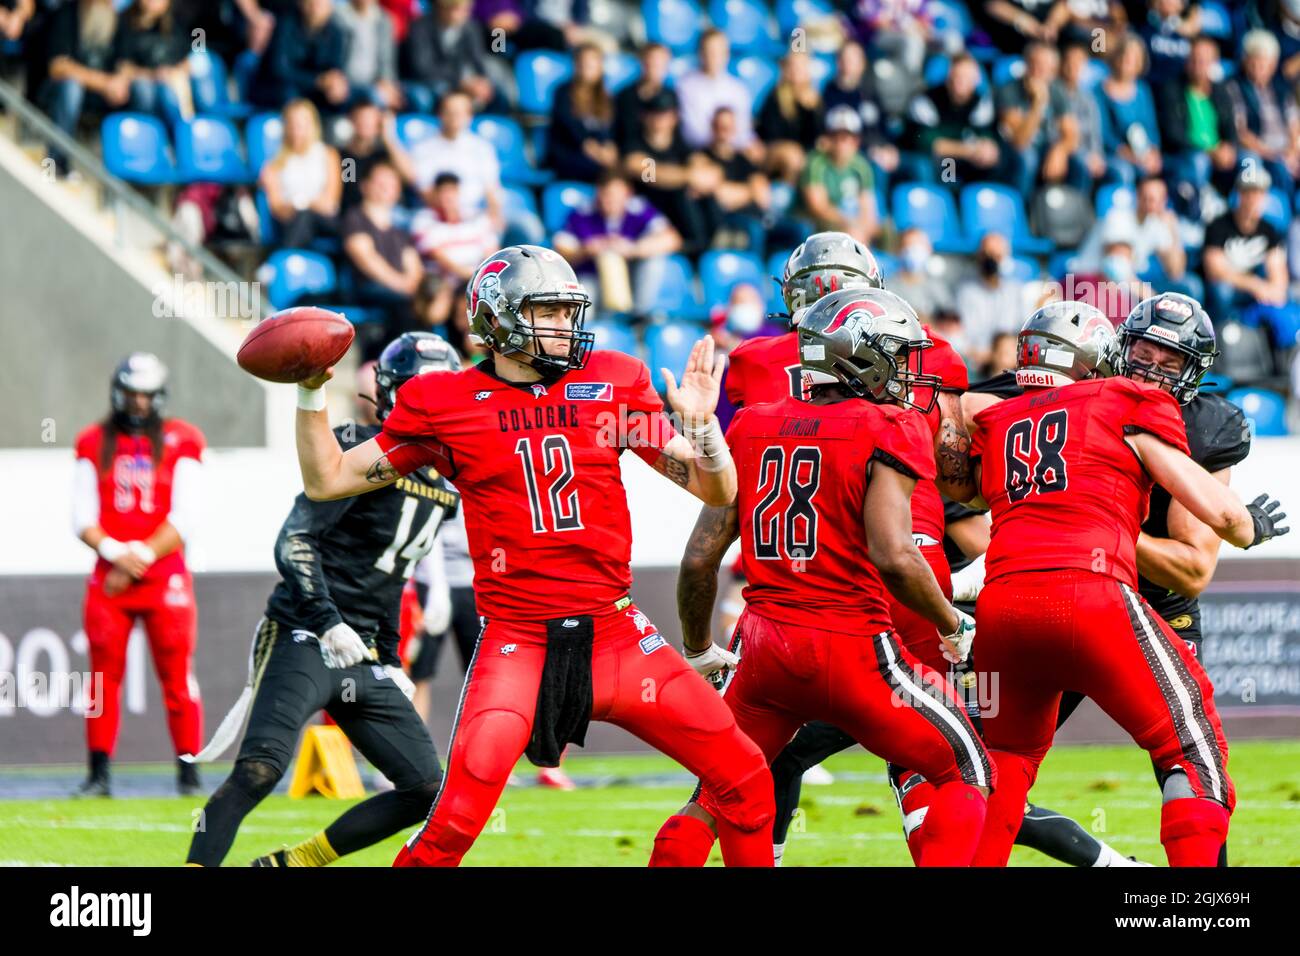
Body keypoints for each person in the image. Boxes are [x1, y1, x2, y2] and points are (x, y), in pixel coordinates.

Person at [293, 244, 777, 867]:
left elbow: (717, 490)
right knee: (455, 823)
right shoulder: (444, 401)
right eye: (546, 312)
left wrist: (705, 430)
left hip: (615, 633)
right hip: (517, 639)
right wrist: (310, 392)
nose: (564, 326)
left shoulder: (612, 379)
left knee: (745, 778)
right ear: (496, 320)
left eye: (566, 311)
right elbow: (328, 479)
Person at [653, 288, 991, 868]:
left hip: (762, 651)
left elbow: (699, 559)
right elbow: (896, 556)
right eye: (896, 354)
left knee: (719, 793)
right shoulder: (889, 424)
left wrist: (698, 646)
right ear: (859, 355)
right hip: (854, 646)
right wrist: (950, 625)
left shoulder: (755, 423)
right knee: (968, 767)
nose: (908, 371)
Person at [965, 300, 1288, 867]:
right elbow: (1230, 521)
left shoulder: (1006, 413)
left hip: (1024, 599)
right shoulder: (1122, 400)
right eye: (1145, 353)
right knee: (1194, 752)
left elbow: (1192, 567)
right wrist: (1246, 525)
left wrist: (1046, 512)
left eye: (1172, 358)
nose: (1154, 369)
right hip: (1096, 594)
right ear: (1112, 352)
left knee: (997, 765)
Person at [185, 334, 461, 867]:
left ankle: (297, 862)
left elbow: (392, 577)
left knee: (427, 785)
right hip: (305, 633)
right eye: (419, 392)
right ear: (392, 396)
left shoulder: (446, 485)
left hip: (364, 654)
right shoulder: (362, 447)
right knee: (259, 770)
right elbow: (294, 540)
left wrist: (388, 654)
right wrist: (328, 621)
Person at [72, 354, 205, 798]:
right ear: (117, 391)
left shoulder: (182, 439)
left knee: (177, 678)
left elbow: (186, 516)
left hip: (161, 576)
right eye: (132, 393)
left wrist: (136, 560)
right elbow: (81, 516)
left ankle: (188, 774)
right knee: (101, 681)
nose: (139, 403)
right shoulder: (93, 441)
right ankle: (99, 775)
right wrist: (115, 553)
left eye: (146, 394)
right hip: (111, 578)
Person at [553, 171, 681, 320]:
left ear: (628, 194)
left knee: (654, 261)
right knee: (583, 296)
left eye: (617, 196)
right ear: (599, 194)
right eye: (607, 195)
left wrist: (632, 249)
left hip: (631, 277)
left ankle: (640, 318)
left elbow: (672, 239)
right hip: (593, 277)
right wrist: (587, 249)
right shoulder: (582, 214)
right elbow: (560, 251)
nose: (611, 201)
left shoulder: (639, 209)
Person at [904, 53, 1015, 188]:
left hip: (966, 157)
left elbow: (986, 134)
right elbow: (928, 143)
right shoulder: (926, 100)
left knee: (996, 161)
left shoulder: (980, 102)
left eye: (966, 78)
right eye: (957, 77)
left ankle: (984, 202)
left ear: (976, 80)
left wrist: (988, 149)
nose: (960, 82)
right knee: (947, 167)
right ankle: (946, 201)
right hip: (935, 158)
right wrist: (968, 151)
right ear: (948, 77)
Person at [1203, 166, 1291, 331]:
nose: (1253, 199)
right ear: (1239, 195)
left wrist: (1276, 290)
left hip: (1252, 290)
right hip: (1229, 287)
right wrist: (1256, 285)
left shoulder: (1269, 229)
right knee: (1222, 291)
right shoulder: (1219, 225)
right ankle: (1218, 337)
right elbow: (1215, 271)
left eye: (1258, 193)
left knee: (1288, 295)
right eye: (1248, 193)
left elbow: (1277, 268)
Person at [342, 161, 424, 337]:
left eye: (391, 184)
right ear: (365, 186)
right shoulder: (355, 218)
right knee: (405, 305)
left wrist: (413, 285)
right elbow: (366, 260)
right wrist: (402, 285)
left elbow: (413, 264)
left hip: (400, 291)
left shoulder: (399, 230)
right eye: (380, 183)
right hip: (368, 289)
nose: (386, 189)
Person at [1158, 35, 1238, 211]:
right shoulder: (1172, 89)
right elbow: (1173, 133)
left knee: (1249, 162)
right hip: (1185, 155)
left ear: (1213, 63)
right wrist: (1210, 152)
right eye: (1193, 59)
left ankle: (1237, 215)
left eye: (1203, 61)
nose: (1197, 65)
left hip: (1218, 154)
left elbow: (1231, 128)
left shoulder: (1221, 91)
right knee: (1198, 161)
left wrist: (1230, 147)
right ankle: (1198, 211)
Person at [409, 91, 505, 234]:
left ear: (470, 116)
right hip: (437, 218)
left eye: (460, 113)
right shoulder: (422, 149)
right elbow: (427, 194)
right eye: (450, 112)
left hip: (476, 214)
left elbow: (492, 190)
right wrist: (454, 216)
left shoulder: (482, 147)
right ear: (440, 114)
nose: (455, 117)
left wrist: (495, 215)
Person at [258, 98, 342, 248]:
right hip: (290, 220)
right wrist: (302, 205)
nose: (297, 129)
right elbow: (277, 208)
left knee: (304, 216)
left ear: (313, 125)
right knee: (302, 218)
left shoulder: (329, 155)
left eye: (302, 124)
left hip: (323, 221)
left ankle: (283, 258)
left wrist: (300, 203)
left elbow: (330, 204)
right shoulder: (274, 163)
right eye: (292, 123)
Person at [1228, 29, 1300, 197]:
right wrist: (1273, 154)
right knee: (1250, 163)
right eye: (1255, 61)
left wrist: (1292, 148)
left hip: (1283, 150)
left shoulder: (1280, 88)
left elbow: (1294, 123)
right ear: (1245, 60)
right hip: (1256, 151)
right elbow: (1241, 133)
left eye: (1266, 63)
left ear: (1273, 64)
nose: (1260, 68)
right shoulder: (1234, 86)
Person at [995, 41, 1071, 196]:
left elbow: (1071, 133)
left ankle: (1070, 212)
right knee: (1028, 158)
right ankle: (1022, 211)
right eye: (1033, 64)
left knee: (1078, 163)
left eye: (1043, 67)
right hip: (1010, 151)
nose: (1037, 71)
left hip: (1045, 147)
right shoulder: (1008, 90)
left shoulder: (1057, 90)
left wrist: (1059, 151)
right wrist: (1038, 104)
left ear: (1053, 71)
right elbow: (1019, 141)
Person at [401, 0, 499, 114]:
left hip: (461, 82)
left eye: (465, 10)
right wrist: (462, 82)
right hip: (427, 82)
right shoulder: (419, 28)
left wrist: (482, 82)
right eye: (457, 9)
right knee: (435, 92)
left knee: (497, 93)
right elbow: (422, 68)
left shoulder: (471, 28)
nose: (463, 14)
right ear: (441, 9)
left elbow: (478, 61)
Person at [799, 106, 879, 244]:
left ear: (856, 141)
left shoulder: (861, 166)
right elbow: (818, 207)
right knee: (853, 235)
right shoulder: (816, 163)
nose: (841, 143)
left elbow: (868, 209)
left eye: (847, 137)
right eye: (836, 137)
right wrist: (849, 223)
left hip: (853, 224)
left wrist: (863, 226)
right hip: (821, 226)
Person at [409, 172, 501, 290]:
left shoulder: (478, 218)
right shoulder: (423, 220)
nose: (448, 197)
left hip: (477, 278)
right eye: (443, 192)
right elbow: (439, 256)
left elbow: (492, 253)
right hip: (444, 281)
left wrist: (482, 276)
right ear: (435, 194)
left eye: (452, 191)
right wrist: (471, 276)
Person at [250, 0, 348, 111]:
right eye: (311, 4)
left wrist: (335, 83)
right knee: (289, 93)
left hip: (312, 90)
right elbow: (279, 70)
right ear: (301, 4)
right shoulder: (284, 25)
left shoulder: (336, 33)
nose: (315, 9)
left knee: (342, 95)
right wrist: (317, 81)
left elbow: (335, 69)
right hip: (275, 89)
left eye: (320, 4)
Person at [546, 41, 618, 182]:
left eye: (592, 62)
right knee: (609, 172)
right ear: (576, 65)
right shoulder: (562, 92)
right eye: (584, 62)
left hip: (599, 155)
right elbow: (571, 129)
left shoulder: (607, 97)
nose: (587, 67)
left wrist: (610, 148)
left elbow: (611, 130)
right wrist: (597, 151)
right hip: (569, 155)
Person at [1098, 32, 1162, 186]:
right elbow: (1104, 134)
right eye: (1125, 55)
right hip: (1113, 155)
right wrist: (1129, 155)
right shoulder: (1100, 90)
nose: (1128, 61)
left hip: (1141, 153)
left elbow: (1151, 127)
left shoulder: (1142, 91)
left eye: (1134, 57)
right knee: (1124, 172)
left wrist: (1153, 153)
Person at [676, 28, 756, 152]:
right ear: (700, 53)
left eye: (719, 51)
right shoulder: (685, 86)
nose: (714, 56)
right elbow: (692, 133)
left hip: (735, 153)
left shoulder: (739, 88)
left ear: (727, 54)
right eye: (709, 51)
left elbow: (744, 132)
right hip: (702, 152)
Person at [956, 231, 1026, 370]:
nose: (992, 260)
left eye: (997, 255)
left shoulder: (1015, 290)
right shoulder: (966, 291)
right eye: (988, 255)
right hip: (976, 361)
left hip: (1008, 359)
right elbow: (960, 333)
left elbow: (1020, 329)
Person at [111, 0, 190, 122]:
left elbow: (186, 60)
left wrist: (175, 73)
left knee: (171, 92)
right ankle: (147, 135)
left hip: (170, 82)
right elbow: (123, 68)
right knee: (144, 89)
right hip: (140, 82)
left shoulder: (176, 20)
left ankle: (179, 133)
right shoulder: (125, 20)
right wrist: (153, 75)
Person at [756, 51, 823, 186]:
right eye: (792, 66)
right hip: (774, 153)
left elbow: (817, 136)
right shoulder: (775, 97)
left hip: (805, 152)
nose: (795, 71)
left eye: (800, 67)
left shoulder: (814, 99)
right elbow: (770, 134)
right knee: (793, 156)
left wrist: (810, 111)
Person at [338, 100, 415, 211]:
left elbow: (410, 176)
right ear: (351, 121)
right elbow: (349, 192)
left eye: (370, 120)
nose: (365, 124)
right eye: (361, 119)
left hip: (389, 212)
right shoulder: (347, 159)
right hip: (356, 213)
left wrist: (388, 136)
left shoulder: (385, 154)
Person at [335, 0, 402, 110]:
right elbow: (334, 57)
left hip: (373, 83)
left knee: (414, 97)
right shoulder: (338, 17)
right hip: (346, 82)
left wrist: (386, 82)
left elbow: (386, 60)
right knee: (374, 96)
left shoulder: (384, 20)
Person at [613, 42, 676, 154]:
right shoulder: (625, 97)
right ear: (642, 63)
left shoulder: (672, 95)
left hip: (666, 156)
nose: (655, 67)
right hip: (635, 157)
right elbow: (623, 136)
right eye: (651, 63)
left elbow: (676, 136)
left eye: (660, 63)